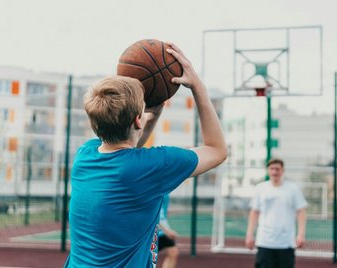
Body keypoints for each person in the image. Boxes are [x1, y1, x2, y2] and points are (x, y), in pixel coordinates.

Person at [64, 43, 227, 267]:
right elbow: (217, 150)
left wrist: (153, 113)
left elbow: (130, 149)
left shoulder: (85, 155)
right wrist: (198, 86)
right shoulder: (154, 165)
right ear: (138, 120)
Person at [245, 158, 307, 268]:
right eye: (272, 169)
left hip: (286, 243)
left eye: (277, 169)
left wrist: (301, 234)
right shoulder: (261, 188)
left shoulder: (293, 189)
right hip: (265, 241)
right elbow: (254, 212)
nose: (274, 172)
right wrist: (249, 235)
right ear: (268, 171)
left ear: (282, 171)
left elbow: (301, 211)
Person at [157, 194, 179, 268]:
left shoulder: (166, 194)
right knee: (145, 257)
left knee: (173, 252)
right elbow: (153, 215)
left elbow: (162, 213)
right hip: (153, 231)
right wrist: (167, 231)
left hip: (161, 231)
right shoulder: (152, 192)